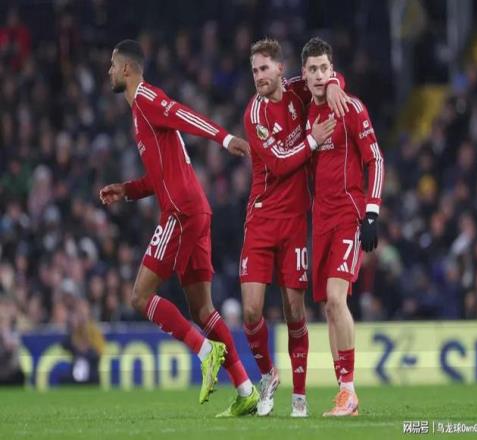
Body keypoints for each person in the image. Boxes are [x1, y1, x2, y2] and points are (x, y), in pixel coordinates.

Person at [100, 39, 258, 415]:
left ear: (126, 69)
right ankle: (246, 389)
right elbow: (159, 178)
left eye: (112, 65)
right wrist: (128, 190)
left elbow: (184, 114)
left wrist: (225, 138)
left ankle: (204, 352)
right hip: (195, 209)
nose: (109, 71)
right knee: (203, 309)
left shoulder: (147, 98)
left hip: (180, 212)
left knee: (139, 297)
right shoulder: (139, 115)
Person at [241, 38, 350, 417]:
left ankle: (299, 398)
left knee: (294, 310)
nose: (258, 76)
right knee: (251, 311)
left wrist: (335, 84)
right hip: (260, 219)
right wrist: (312, 140)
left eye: (264, 69)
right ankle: (268, 375)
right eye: (254, 70)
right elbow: (278, 163)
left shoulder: (296, 92)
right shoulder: (254, 114)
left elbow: (324, 77)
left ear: (280, 70)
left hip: (294, 222)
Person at [302, 37, 384, 416]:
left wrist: (372, 212)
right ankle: (343, 393)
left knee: (337, 298)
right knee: (328, 308)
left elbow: (375, 160)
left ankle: (350, 391)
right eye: (313, 69)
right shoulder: (305, 112)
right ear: (304, 74)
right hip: (319, 220)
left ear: (332, 70)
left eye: (325, 69)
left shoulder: (350, 108)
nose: (320, 75)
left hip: (349, 215)